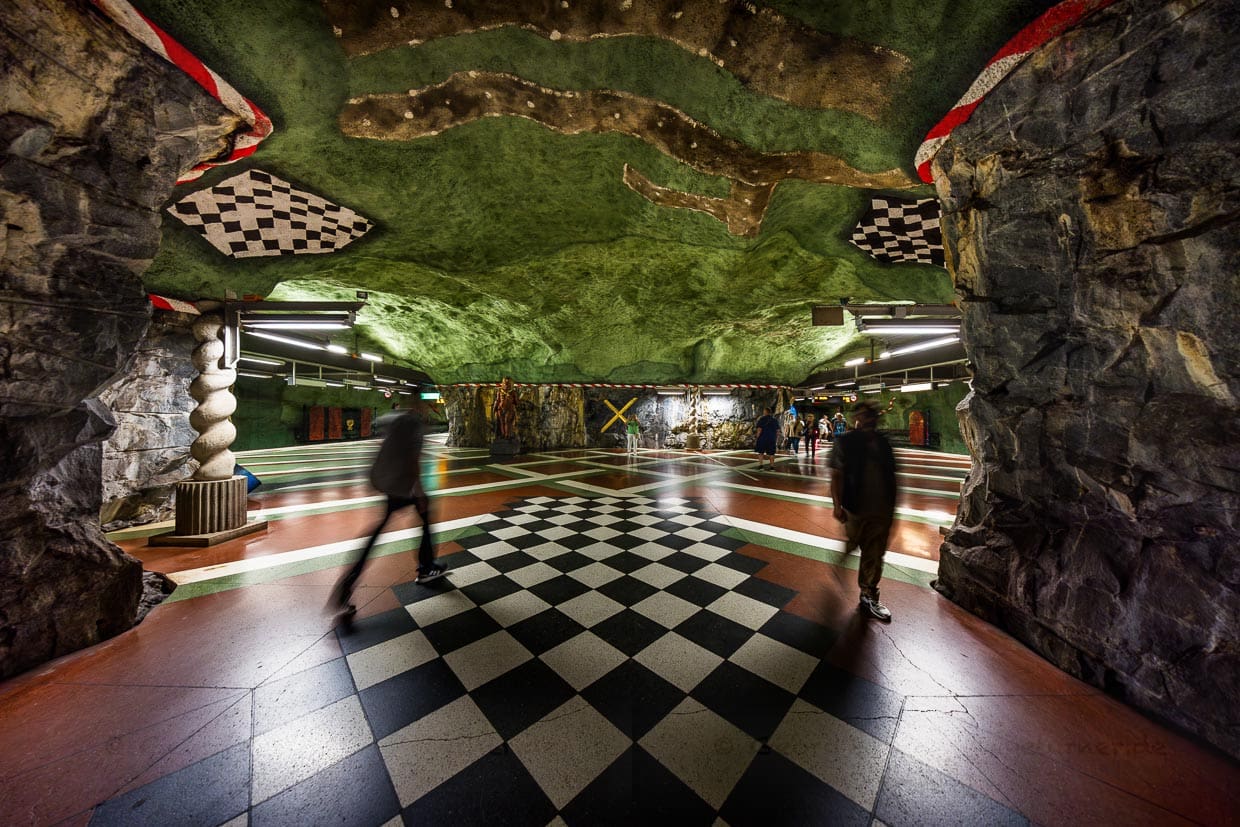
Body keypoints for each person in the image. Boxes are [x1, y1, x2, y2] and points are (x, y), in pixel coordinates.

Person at [333, 409, 445, 624]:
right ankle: (426, 568)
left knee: (378, 532)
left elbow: (382, 447)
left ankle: (348, 582)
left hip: (391, 485)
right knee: (425, 516)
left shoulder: (395, 419)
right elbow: (412, 461)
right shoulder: (414, 424)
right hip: (404, 487)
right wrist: (419, 493)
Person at [829, 402, 897, 622]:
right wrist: (837, 505)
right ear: (856, 418)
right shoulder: (845, 442)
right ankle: (845, 555)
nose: (868, 419)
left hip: (881, 508)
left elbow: (893, 477)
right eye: (863, 415)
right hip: (855, 506)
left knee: (874, 552)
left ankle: (868, 593)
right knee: (855, 541)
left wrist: (892, 510)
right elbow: (836, 475)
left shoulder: (884, 443)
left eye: (871, 415)